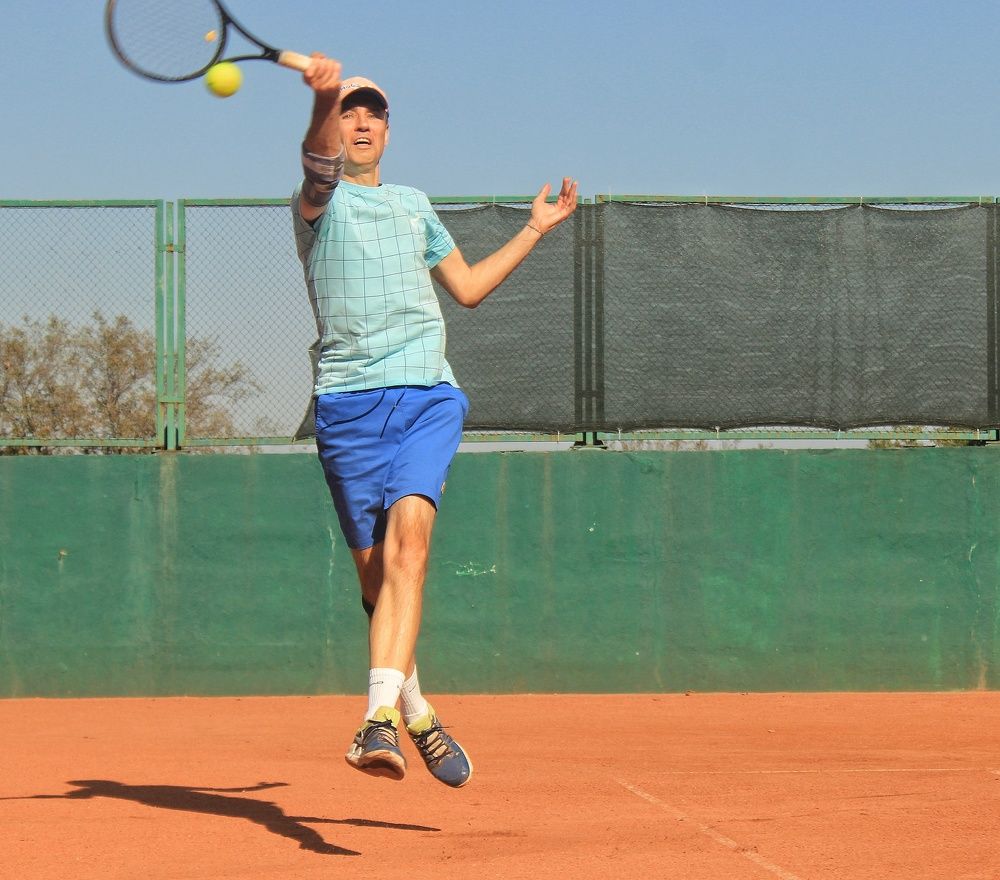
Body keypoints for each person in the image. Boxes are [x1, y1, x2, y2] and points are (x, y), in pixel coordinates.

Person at [290, 54, 578, 788]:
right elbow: (317, 162)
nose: (361, 122)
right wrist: (321, 98)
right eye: (349, 111)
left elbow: (469, 288)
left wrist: (535, 229)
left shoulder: (415, 205)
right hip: (347, 404)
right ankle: (417, 712)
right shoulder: (318, 205)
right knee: (375, 584)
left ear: (389, 131)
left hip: (427, 394)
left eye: (373, 112)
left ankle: (376, 720)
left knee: (410, 546)